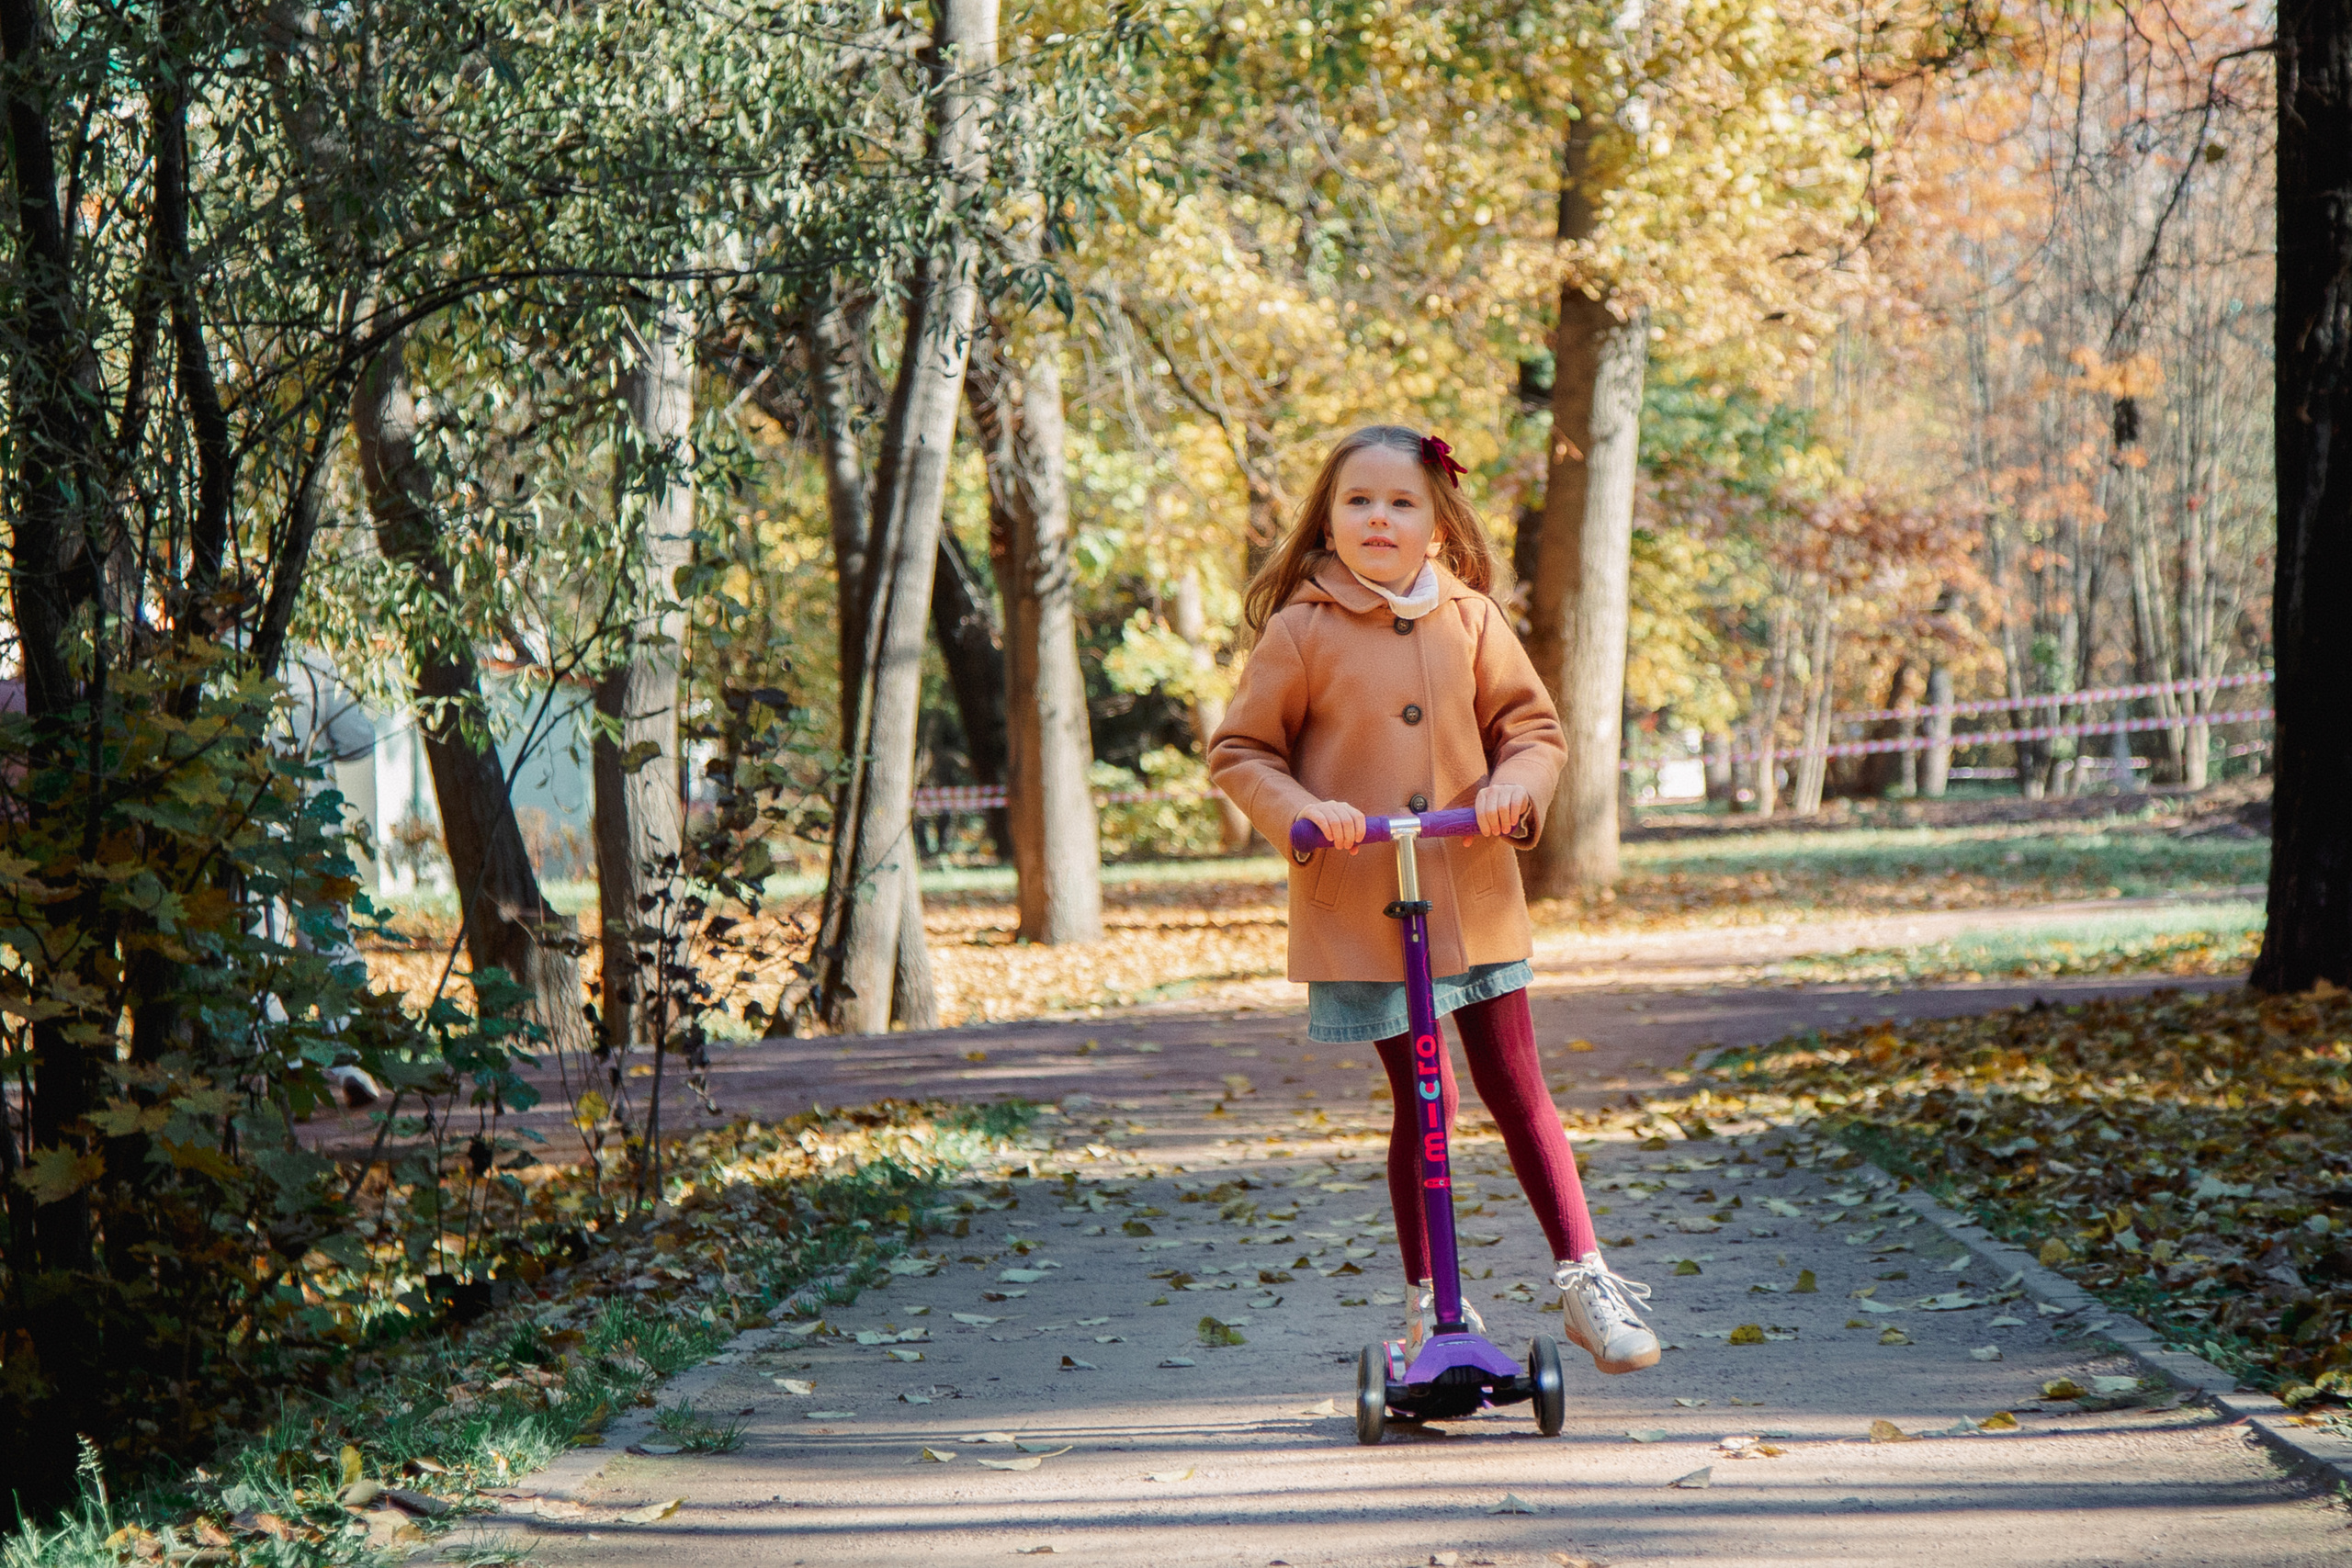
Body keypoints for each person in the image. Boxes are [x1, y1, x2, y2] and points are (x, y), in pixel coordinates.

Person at [1207, 423, 1660, 1376]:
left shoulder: (1472, 620)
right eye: (1359, 501)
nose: (1379, 518)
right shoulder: (1302, 630)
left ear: (1438, 524)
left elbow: (1532, 731)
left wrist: (1513, 789)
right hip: (1367, 903)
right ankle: (1429, 1303)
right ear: (1328, 522)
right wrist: (1303, 812)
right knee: (1427, 1097)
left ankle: (1585, 1280)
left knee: (1517, 1084)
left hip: (1473, 890)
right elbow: (1241, 752)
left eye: (1401, 502)